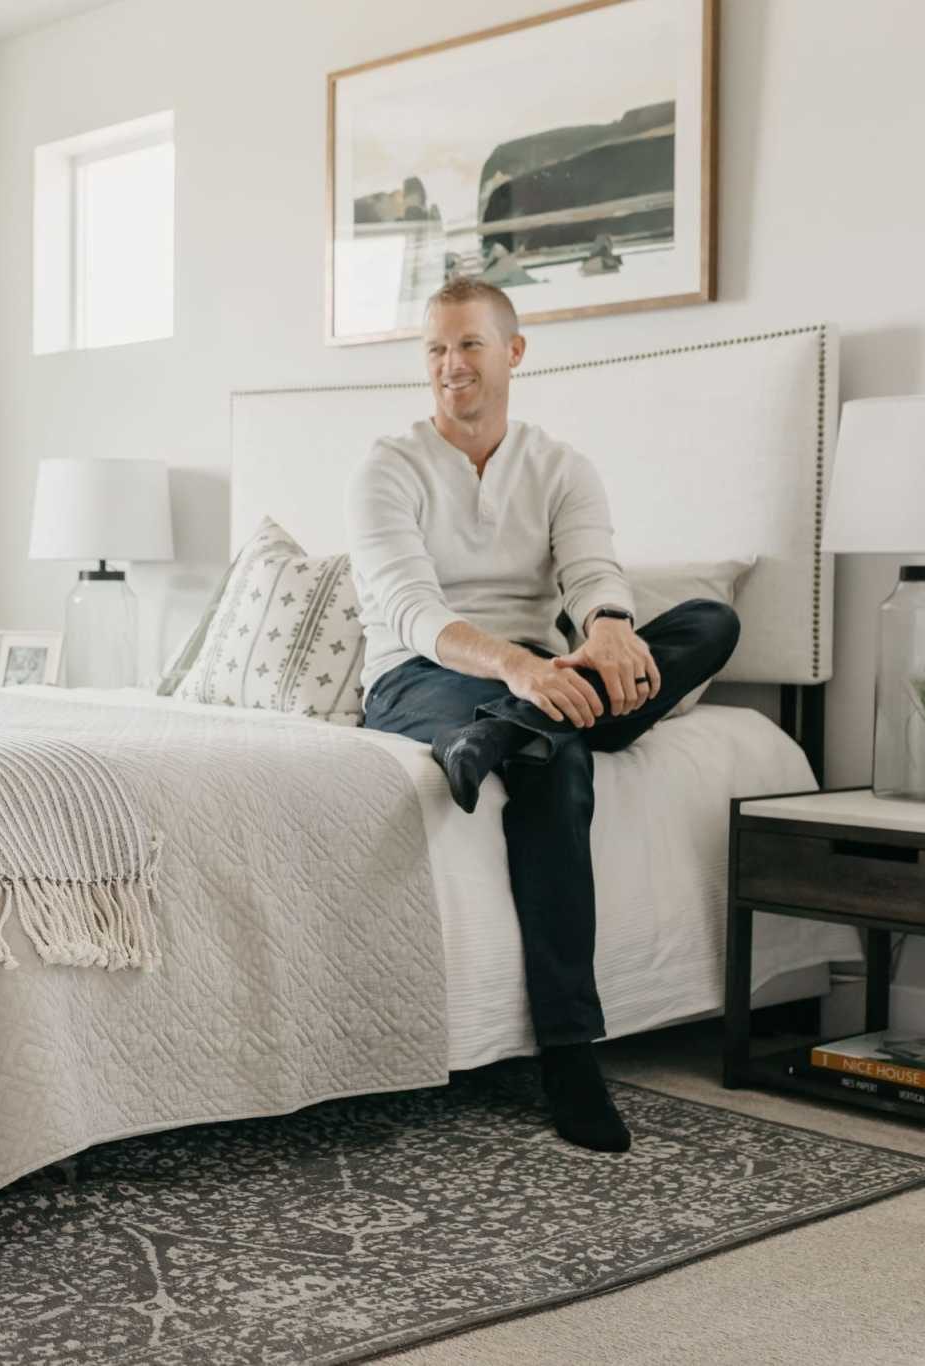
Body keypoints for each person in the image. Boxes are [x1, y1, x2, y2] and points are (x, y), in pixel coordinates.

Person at [346, 276, 739, 1153]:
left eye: (471, 346)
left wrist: (607, 631)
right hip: (422, 678)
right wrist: (520, 669)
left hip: (540, 679)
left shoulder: (561, 467)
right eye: (436, 350)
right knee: (556, 759)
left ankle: (505, 735)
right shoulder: (389, 468)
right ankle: (569, 1050)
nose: (451, 367)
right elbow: (410, 609)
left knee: (713, 621)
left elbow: (594, 569)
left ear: (514, 352)